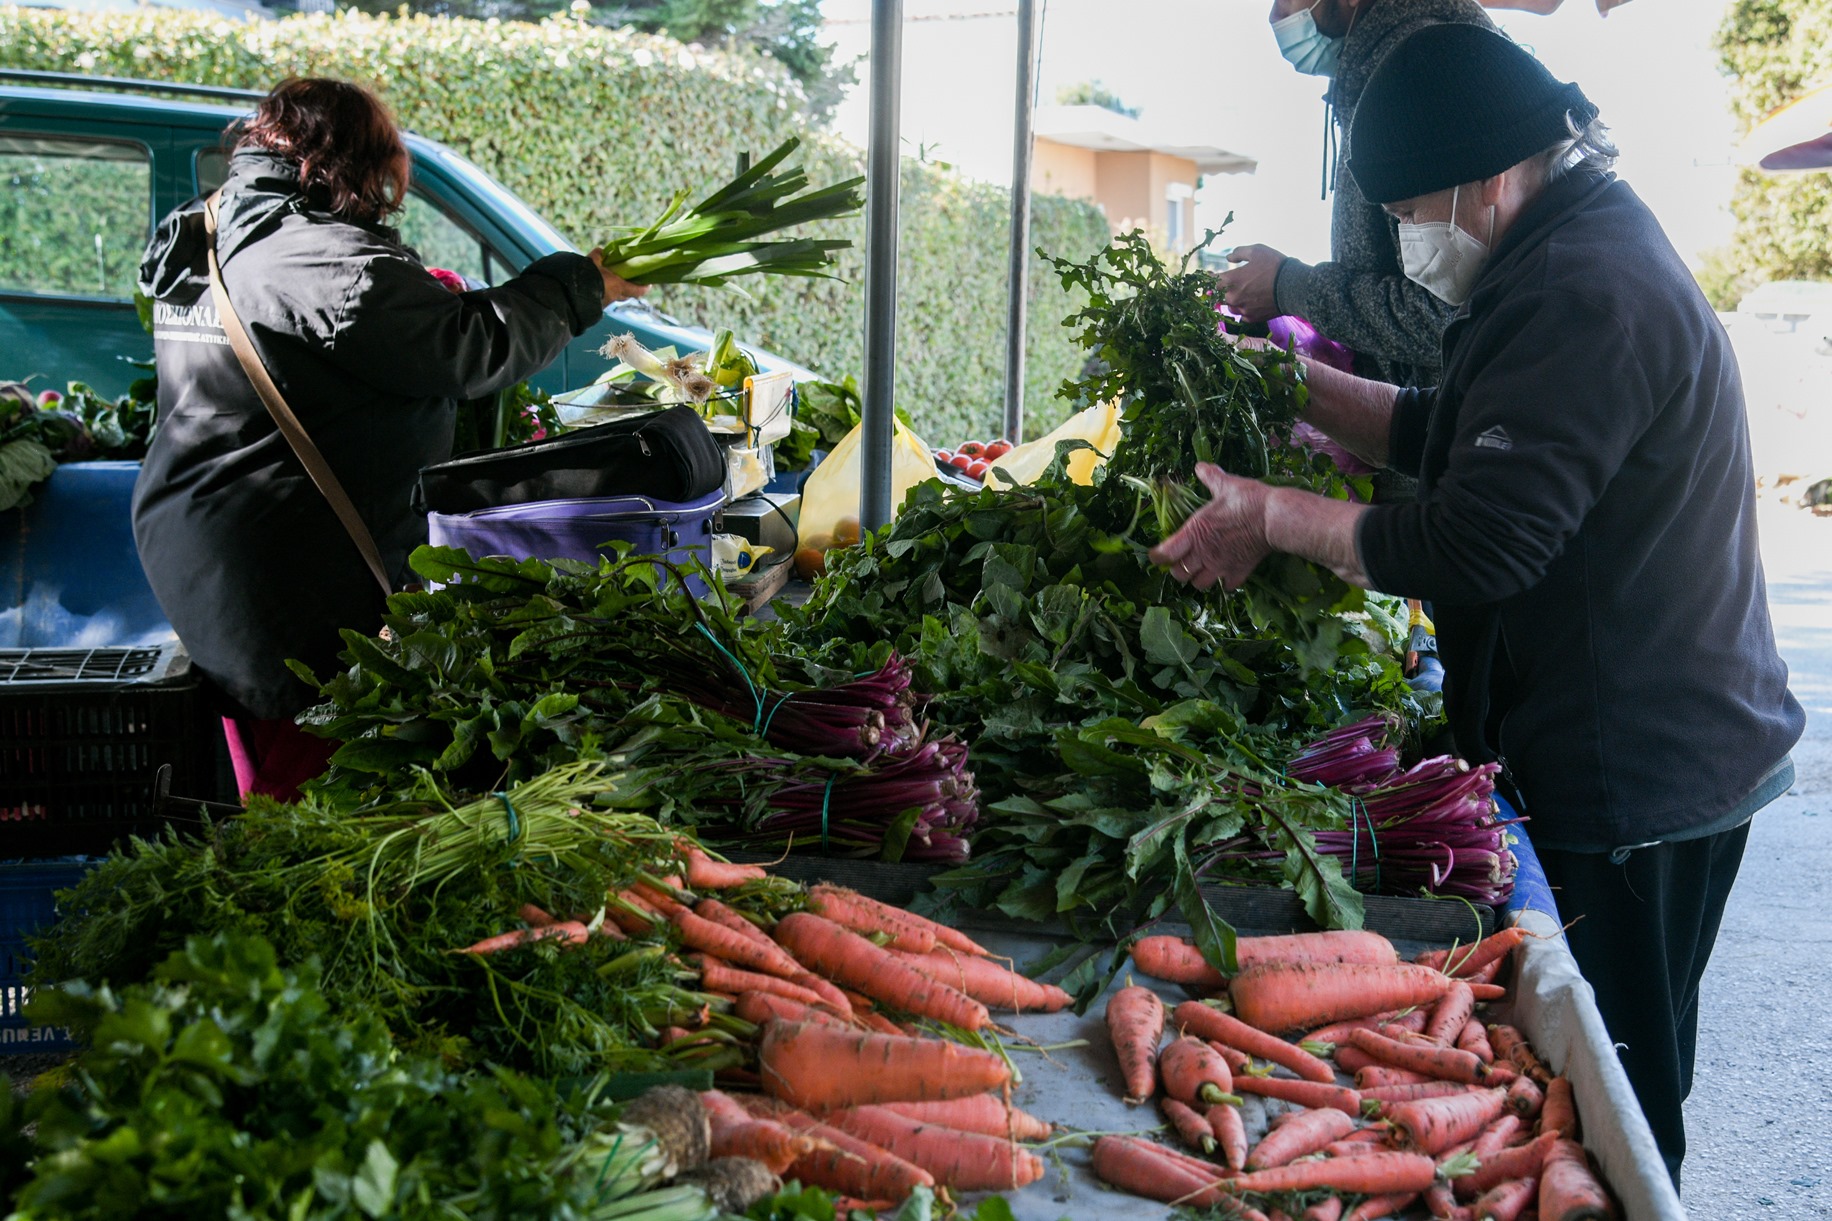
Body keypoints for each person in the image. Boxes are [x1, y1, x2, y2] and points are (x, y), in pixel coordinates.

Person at [1152, 25, 1804, 1184]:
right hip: (1651, 741)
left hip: (1638, 770)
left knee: (1614, 1102)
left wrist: (1270, 514)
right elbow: (1445, 429)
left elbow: (1479, 538)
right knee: (1599, 1075)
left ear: (1488, 172)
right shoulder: (1560, 248)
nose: (1406, 237)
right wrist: (1288, 384)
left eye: (1409, 210)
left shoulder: (1579, 288)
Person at [133, 78, 646, 801]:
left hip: (220, 546)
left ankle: (270, 864)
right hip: (284, 570)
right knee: (311, 787)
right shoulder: (314, 256)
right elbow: (464, 348)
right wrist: (579, 285)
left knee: (276, 757)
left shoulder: (219, 222)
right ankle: (287, 885)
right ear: (348, 160)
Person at [1214, 0, 1492, 388]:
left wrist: (1288, 286)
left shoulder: (1412, 66)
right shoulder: (1377, 66)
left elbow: (1447, 319)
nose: (1277, 15)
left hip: (1447, 427)